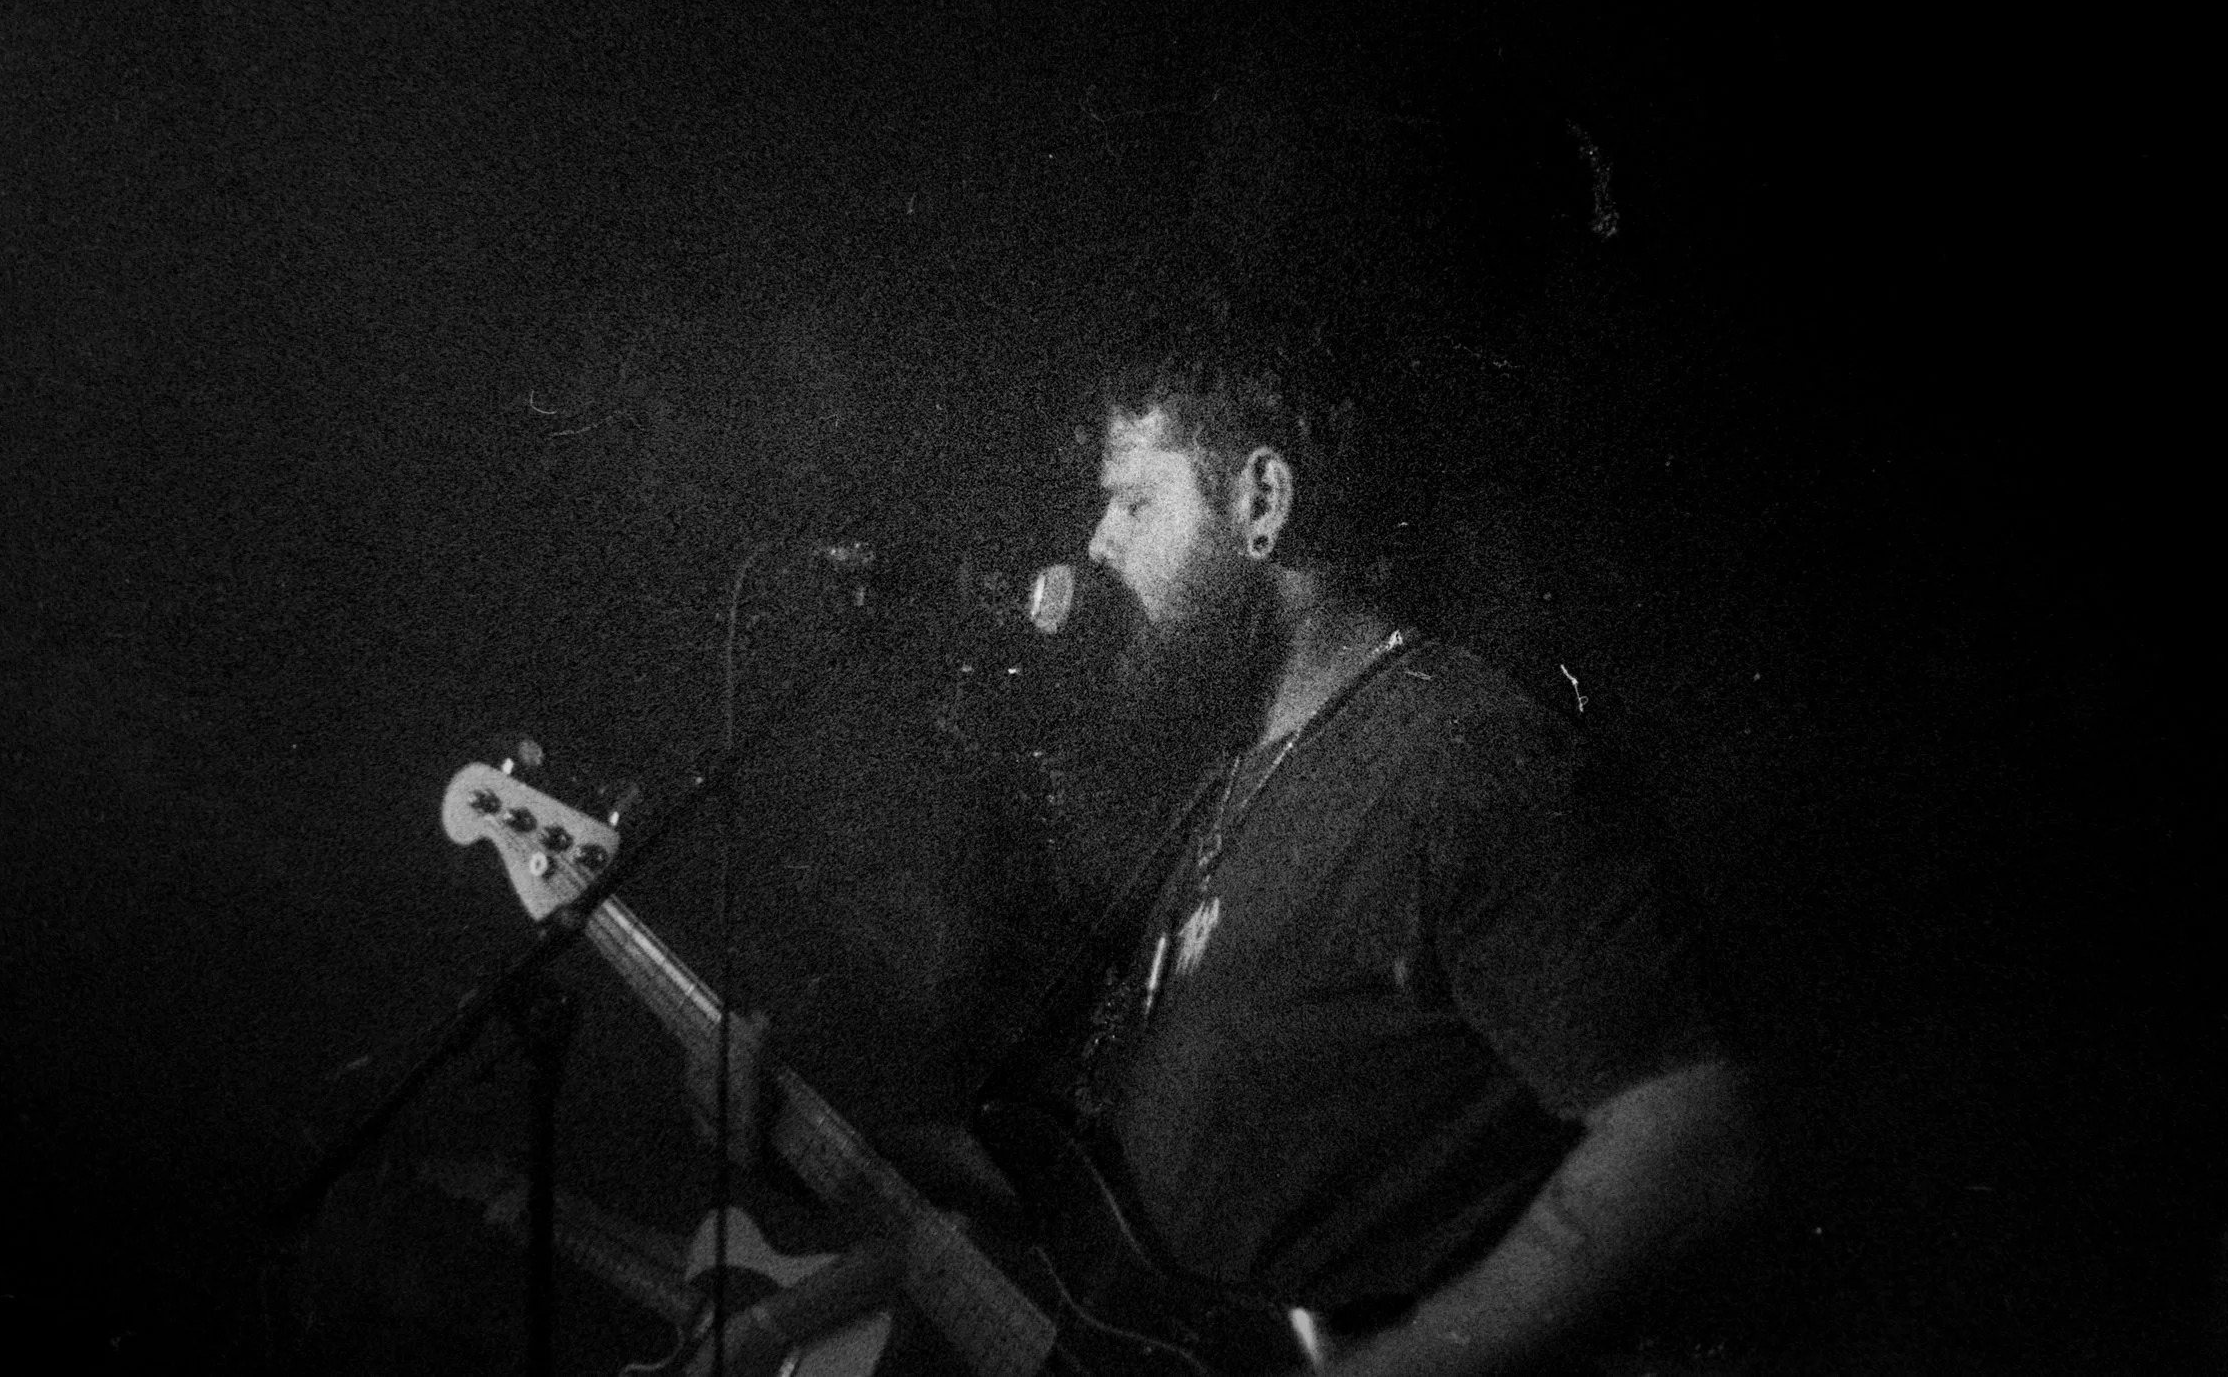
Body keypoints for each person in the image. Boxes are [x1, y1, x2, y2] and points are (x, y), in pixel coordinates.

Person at [699, 336, 1762, 1375]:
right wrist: (806, 1133)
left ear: (1262, 500)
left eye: (1134, 502)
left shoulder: (1455, 756)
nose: (1096, 543)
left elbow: (1688, 1137)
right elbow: (1097, 1225)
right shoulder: (1227, 793)